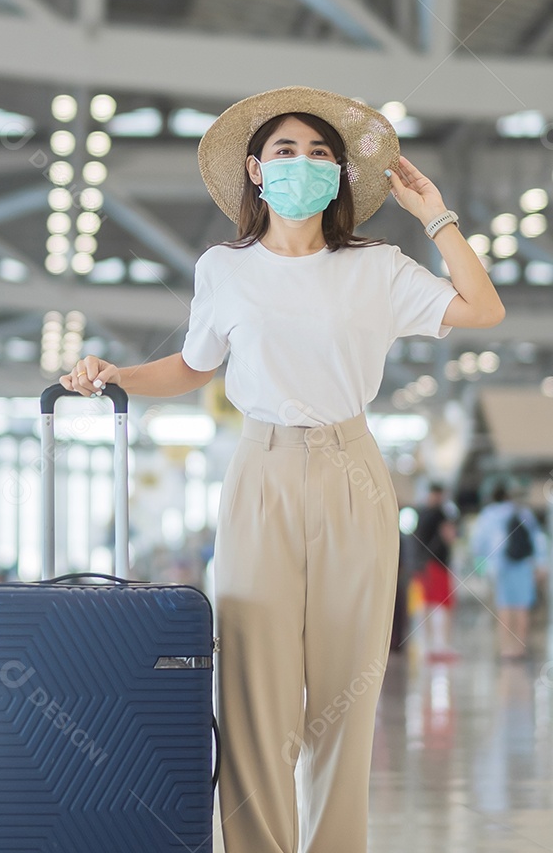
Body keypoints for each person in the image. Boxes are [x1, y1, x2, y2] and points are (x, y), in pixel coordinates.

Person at [61, 86, 506, 853]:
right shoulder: (224, 269)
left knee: (345, 692)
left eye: (321, 153)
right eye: (286, 151)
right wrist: (118, 373)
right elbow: (193, 367)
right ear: (255, 171)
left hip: (354, 473)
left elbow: (483, 308)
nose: (304, 163)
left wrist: (435, 214)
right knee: (253, 696)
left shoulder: (377, 267)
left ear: (338, 175)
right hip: (260, 474)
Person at [472, 482, 548, 659]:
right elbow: (537, 539)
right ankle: (520, 648)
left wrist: (481, 567)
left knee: (504, 606)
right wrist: (541, 564)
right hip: (523, 566)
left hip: (500, 566)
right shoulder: (523, 512)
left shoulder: (488, 515)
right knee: (522, 606)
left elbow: (478, 545)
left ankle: (506, 649)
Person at [411, 481, 459, 659]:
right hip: (437, 564)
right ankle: (442, 646)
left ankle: (427, 646)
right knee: (443, 605)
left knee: (425, 604)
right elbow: (450, 535)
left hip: (421, 566)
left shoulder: (420, 512)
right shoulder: (441, 513)